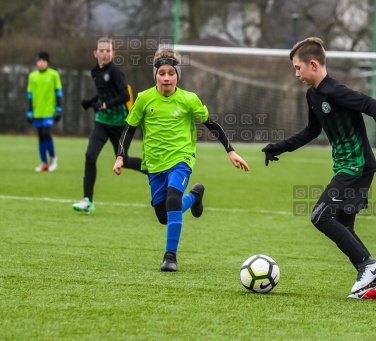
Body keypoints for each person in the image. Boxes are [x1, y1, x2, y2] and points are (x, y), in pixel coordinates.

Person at [261, 37, 376, 299]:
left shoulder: (335, 91)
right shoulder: (313, 95)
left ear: (313, 64)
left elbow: (374, 106)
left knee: (320, 215)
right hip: (345, 167)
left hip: (357, 166)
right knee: (344, 225)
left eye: (298, 68)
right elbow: (312, 130)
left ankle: (368, 265)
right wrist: (279, 147)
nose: (296, 74)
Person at [113, 48, 249, 272]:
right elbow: (129, 128)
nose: (166, 78)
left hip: (181, 158)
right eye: (162, 73)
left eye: (171, 73)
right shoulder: (144, 99)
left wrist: (230, 151)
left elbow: (211, 124)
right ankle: (195, 197)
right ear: (155, 74)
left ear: (178, 75)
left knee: (173, 200)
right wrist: (120, 157)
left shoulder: (189, 99)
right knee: (163, 216)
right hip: (155, 163)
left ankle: (170, 256)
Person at [73, 37, 144, 214]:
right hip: (102, 122)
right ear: (95, 53)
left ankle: (157, 172)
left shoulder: (115, 72)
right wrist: (91, 102)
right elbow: (103, 94)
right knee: (90, 155)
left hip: (119, 123)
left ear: (113, 54)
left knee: (124, 161)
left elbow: (124, 96)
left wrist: (103, 105)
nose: (104, 54)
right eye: (101, 50)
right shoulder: (95, 72)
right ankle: (87, 200)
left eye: (107, 51)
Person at [26, 51, 62, 172]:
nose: (41, 63)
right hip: (37, 112)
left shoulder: (54, 75)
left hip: (49, 111)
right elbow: (30, 95)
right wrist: (29, 112)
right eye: (39, 61)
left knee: (46, 133)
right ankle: (44, 163)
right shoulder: (32, 76)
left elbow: (58, 93)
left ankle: (53, 158)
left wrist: (58, 109)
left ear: (47, 62)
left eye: (43, 61)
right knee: (41, 136)